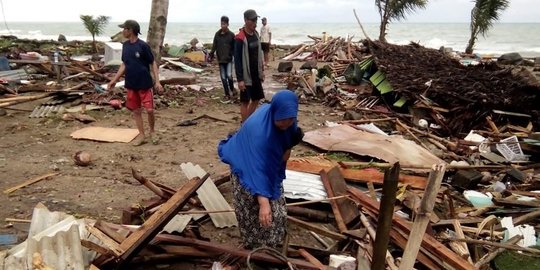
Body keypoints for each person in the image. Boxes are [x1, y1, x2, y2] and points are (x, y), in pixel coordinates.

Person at [218, 90, 304, 249]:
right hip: (246, 164)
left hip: (266, 163)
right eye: (282, 120)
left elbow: (285, 151)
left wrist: (288, 146)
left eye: (290, 120)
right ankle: (254, 247)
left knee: (275, 206)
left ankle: (273, 243)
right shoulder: (260, 135)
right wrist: (264, 203)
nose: (286, 124)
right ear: (274, 113)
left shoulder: (289, 120)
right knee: (253, 208)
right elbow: (257, 171)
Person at [108, 20, 163, 146]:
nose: (122, 31)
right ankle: (142, 135)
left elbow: (152, 62)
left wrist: (157, 82)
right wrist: (114, 80)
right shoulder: (125, 45)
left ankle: (153, 132)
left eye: (124, 29)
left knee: (149, 110)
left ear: (130, 30)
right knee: (136, 111)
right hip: (131, 84)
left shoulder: (143, 46)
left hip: (145, 83)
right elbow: (124, 64)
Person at [234, 9, 265, 122]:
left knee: (256, 99)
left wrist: (262, 70)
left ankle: (248, 122)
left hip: (255, 73)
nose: (255, 22)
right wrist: (240, 79)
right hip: (246, 75)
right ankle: (244, 126)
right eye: (252, 20)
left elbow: (259, 54)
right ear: (246, 21)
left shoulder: (256, 35)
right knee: (245, 101)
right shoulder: (240, 38)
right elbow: (237, 60)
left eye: (256, 20)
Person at [209, 16, 237, 100]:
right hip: (220, 59)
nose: (222, 26)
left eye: (224, 24)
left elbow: (234, 47)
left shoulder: (231, 35)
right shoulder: (217, 34)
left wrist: (234, 56)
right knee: (223, 77)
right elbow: (214, 46)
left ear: (228, 24)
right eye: (221, 24)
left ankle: (232, 89)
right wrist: (211, 55)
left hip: (228, 59)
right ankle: (227, 94)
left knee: (229, 75)